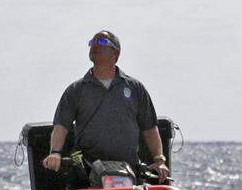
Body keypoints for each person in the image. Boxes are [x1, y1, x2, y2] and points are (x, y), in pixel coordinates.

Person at [44, 30, 170, 181]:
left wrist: (159, 161)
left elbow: (149, 128)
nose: (95, 45)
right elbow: (61, 126)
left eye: (102, 42)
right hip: (87, 171)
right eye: (92, 42)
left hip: (128, 170)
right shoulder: (76, 90)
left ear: (116, 53)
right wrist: (55, 152)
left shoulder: (135, 88)